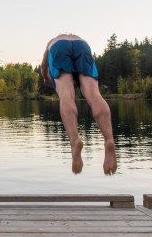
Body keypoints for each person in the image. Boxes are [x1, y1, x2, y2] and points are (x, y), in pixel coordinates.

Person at [40, 34, 117, 175]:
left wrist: (46, 77)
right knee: (94, 94)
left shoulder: (51, 42)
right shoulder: (78, 39)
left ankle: (75, 141)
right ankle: (109, 140)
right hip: (83, 46)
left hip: (58, 48)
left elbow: (43, 65)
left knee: (66, 93)